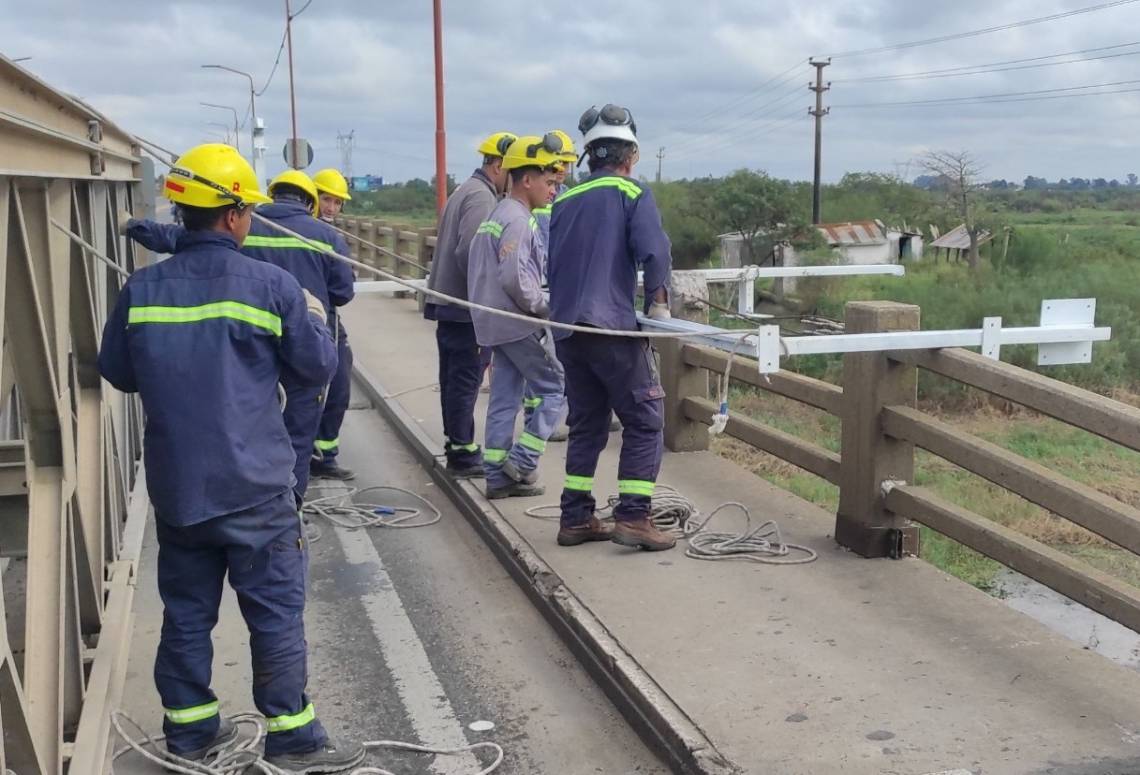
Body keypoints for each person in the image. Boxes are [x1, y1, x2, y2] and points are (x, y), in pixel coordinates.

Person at [97, 143, 363, 770]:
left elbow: (117, 371)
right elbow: (315, 369)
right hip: (257, 486)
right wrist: (315, 320)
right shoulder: (270, 287)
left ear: (182, 211)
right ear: (238, 214)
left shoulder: (143, 287)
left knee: (186, 613)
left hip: (180, 488)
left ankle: (190, 732)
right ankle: (292, 736)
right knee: (273, 612)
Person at [125, 170, 355, 499]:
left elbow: (177, 239)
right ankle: (292, 509)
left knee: (250, 426)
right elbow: (343, 292)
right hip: (302, 342)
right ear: (310, 200)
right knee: (299, 438)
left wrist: (132, 226)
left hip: (249, 348)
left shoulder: (245, 227)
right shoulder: (326, 237)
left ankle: (245, 499)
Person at [547, 104, 676, 552]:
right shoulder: (631, 192)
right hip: (609, 328)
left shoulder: (562, 199)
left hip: (566, 330)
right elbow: (654, 252)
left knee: (587, 424)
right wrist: (658, 302)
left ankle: (576, 517)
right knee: (645, 419)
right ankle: (635, 517)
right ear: (632, 155)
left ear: (588, 156)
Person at [467, 135, 566, 499]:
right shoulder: (519, 221)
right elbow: (516, 280)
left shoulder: (497, 213)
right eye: (549, 182)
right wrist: (546, 308)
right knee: (555, 386)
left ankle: (496, 476)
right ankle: (523, 462)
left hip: (491, 323)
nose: (553, 189)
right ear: (527, 179)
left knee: (505, 397)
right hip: (516, 322)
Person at [423, 131, 516, 478]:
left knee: (453, 379)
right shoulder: (481, 198)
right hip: (465, 309)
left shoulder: (466, 190)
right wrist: (489, 294)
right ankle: (463, 452)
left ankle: (457, 445)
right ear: (497, 165)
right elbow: (471, 251)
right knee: (464, 381)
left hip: (451, 305)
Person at [309, 168, 357, 481]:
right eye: (327, 199)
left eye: (337, 203)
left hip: (322, 320)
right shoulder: (322, 236)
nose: (332, 208)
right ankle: (318, 455)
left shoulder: (329, 235)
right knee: (330, 384)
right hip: (314, 321)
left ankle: (322, 452)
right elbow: (343, 291)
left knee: (335, 383)